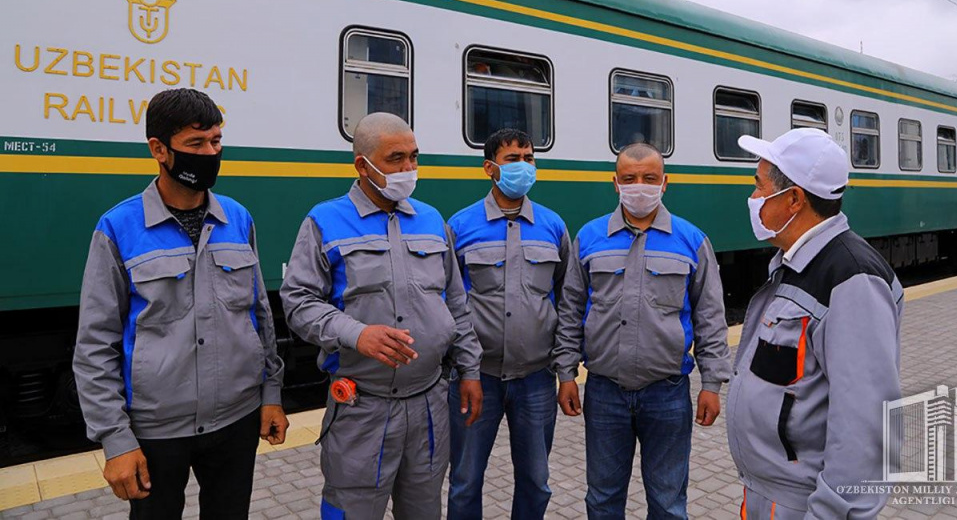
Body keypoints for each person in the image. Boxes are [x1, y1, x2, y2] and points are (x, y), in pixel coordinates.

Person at [73, 88, 287, 520]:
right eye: (196, 144)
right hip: (155, 431)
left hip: (236, 419)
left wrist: (271, 393)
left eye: (216, 141)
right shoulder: (118, 227)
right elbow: (95, 343)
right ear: (159, 149)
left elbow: (259, 315)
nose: (210, 153)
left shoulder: (238, 219)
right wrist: (117, 440)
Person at [279, 112, 483, 520]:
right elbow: (298, 301)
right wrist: (357, 334)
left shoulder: (430, 221)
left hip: (429, 404)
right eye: (396, 159)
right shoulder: (325, 221)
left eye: (414, 157)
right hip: (361, 409)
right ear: (363, 165)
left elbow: (456, 303)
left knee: (425, 510)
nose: (409, 169)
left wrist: (471, 369)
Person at [728, 128, 903, 519]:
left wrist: (832, 511)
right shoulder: (797, 264)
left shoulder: (851, 279)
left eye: (759, 187)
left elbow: (867, 424)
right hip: (768, 496)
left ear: (792, 200)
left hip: (804, 505)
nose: (753, 199)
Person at [553, 142, 731, 519]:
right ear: (615, 184)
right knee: (602, 498)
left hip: (666, 394)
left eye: (649, 178)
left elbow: (711, 317)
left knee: (668, 501)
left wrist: (712, 384)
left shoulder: (691, 240)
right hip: (603, 392)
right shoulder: (590, 236)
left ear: (665, 183)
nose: (639, 186)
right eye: (629, 179)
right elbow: (569, 309)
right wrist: (566, 374)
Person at [446, 129, 571, 519]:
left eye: (529, 158)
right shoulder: (460, 227)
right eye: (512, 159)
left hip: (535, 379)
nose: (523, 166)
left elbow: (568, 300)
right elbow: (446, 301)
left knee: (536, 481)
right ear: (490, 168)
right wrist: (460, 365)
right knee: (465, 480)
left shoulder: (553, 226)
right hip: (474, 378)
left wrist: (565, 368)